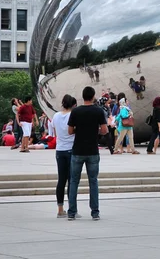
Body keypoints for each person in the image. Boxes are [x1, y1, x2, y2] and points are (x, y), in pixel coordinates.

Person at [67, 87, 108, 220]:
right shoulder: (98, 111)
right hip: (92, 151)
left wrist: (79, 130)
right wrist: (95, 131)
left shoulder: (75, 111)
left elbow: (70, 131)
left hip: (77, 150)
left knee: (74, 181)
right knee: (93, 181)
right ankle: (95, 212)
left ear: (82, 97)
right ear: (93, 96)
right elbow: (104, 130)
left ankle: (72, 212)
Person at [53, 94, 77, 218]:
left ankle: (60, 209)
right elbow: (73, 131)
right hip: (71, 149)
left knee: (61, 180)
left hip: (60, 150)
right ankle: (72, 208)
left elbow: (55, 132)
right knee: (72, 180)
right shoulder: (72, 115)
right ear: (73, 104)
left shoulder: (56, 116)